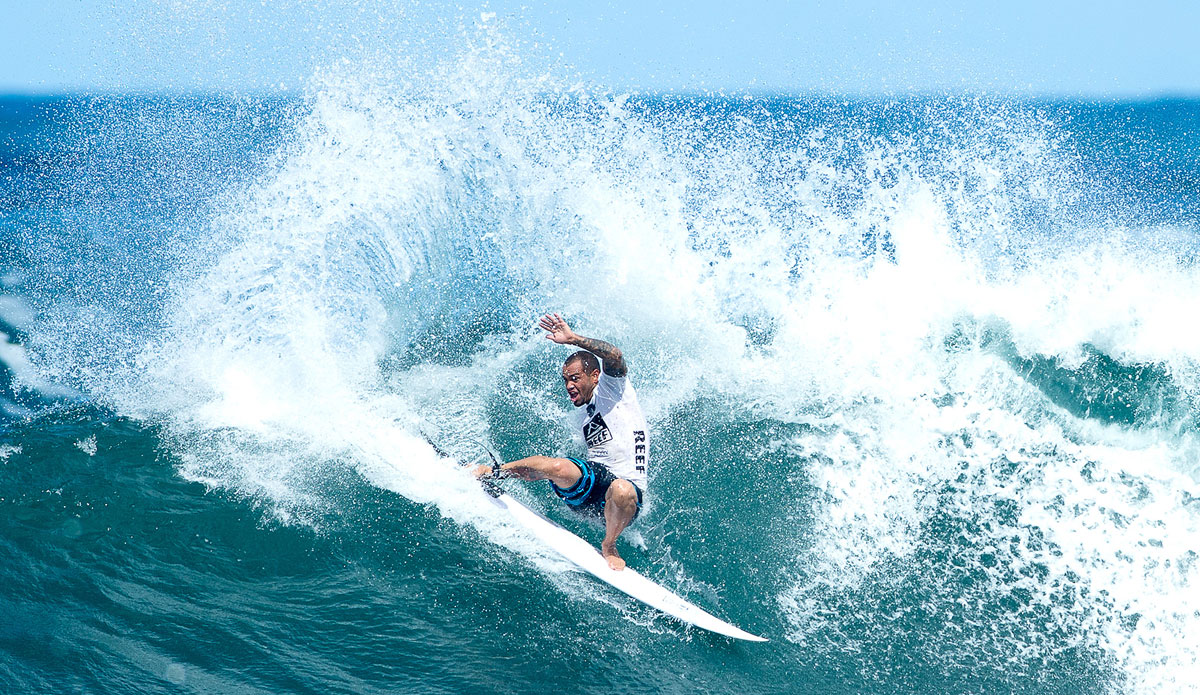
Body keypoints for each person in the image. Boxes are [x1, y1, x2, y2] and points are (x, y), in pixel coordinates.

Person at [474, 313, 650, 571]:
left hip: (625, 500)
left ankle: (609, 545)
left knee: (621, 489)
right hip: (590, 492)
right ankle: (493, 472)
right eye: (566, 379)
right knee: (557, 468)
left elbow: (615, 355)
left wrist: (573, 339)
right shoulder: (581, 415)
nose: (568, 385)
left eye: (575, 378)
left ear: (595, 376)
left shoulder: (615, 391)